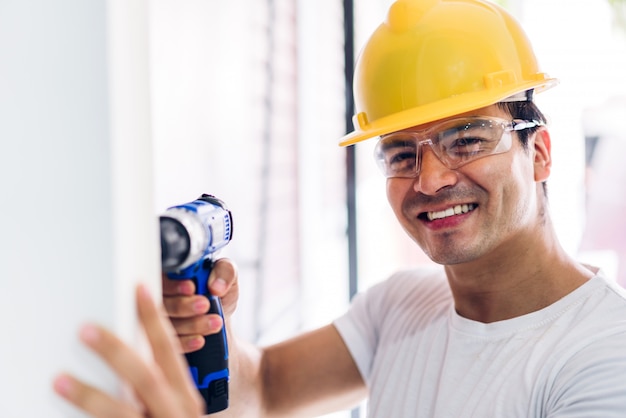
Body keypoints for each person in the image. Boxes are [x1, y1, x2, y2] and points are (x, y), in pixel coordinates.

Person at [54, 0, 626, 416]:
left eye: (467, 140)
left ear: (541, 152)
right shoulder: (403, 306)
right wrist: (211, 329)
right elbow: (271, 387)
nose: (429, 179)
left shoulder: (603, 358)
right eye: (401, 152)